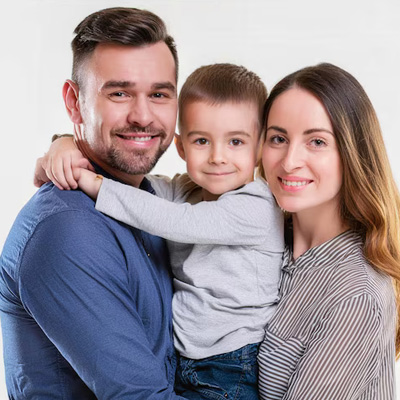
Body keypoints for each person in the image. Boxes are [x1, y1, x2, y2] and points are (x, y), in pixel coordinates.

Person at [34, 63, 285, 399]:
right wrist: (65, 147)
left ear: (260, 149)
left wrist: (94, 184)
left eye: (236, 141)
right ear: (181, 148)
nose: (218, 157)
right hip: (185, 359)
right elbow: (135, 188)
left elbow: (176, 221)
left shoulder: (258, 205)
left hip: (233, 364)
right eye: (201, 141)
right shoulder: (184, 190)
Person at [0, 7, 187, 399]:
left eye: (159, 94)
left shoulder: (154, 202)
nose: (143, 116)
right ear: (74, 102)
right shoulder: (67, 230)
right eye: (119, 93)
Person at [258, 62, 399, 399]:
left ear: (352, 153)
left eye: (317, 141)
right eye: (278, 138)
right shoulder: (261, 243)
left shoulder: (357, 295)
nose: (289, 161)